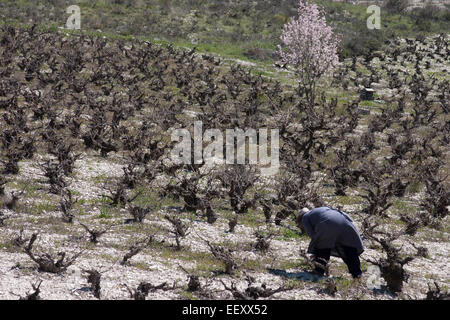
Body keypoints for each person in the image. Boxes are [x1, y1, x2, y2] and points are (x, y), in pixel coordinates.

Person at [296, 207, 364, 279]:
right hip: (343, 221)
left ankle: (319, 271)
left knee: (322, 248)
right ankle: (357, 274)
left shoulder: (305, 217)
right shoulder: (321, 209)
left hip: (326, 223)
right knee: (348, 247)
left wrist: (315, 251)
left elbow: (313, 236)